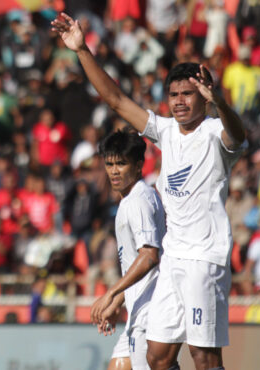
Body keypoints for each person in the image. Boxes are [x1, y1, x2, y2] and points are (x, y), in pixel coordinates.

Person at [52, 13, 246, 370]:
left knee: (204, 357)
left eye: (188, 94)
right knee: (156, 357)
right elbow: (116, 100)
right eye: (173, 94)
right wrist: (81, 50)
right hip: (173, 260)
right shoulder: (166, 131)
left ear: (204, 97)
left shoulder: (216, 133)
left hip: (204, 260)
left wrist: (219, 101)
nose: (180, 101)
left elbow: (239, 135)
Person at [90, 130, 166, 370]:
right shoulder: (130, 199)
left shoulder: (138, 201)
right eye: (110, 164)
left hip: (150, 310)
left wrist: (111, 293)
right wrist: (119, 302)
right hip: (137, 306)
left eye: (121, 164)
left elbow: (149, 256)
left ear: (138, 165)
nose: (114, 171)